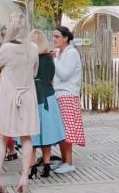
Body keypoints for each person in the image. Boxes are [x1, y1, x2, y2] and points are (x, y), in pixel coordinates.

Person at [0, 12, 39, 193]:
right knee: (26, 137)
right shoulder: (33, 48)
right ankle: (24, 178)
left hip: (9, 95)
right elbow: (35, 72)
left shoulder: (6, 49)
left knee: (3, 136)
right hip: (27, 95)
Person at [29, 29, 66, 178]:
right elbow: (51, 78)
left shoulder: (28, 59)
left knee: (30, 135)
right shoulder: (49, 58)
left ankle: (30, 166)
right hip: (48, 98)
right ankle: (46, 165)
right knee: (47, 133)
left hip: (32, 98)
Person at [51, 26, 84, 173]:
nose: (54, 39)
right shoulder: (60, 52)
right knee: (61, 131)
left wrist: (54, 60)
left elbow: (64, 74)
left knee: (67, 131)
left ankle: (69, 163)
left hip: (68, 94)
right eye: (54, 36)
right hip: (59, 94)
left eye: (57, 36)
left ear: (65, 38)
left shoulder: (71, 53)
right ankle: (64, 160)